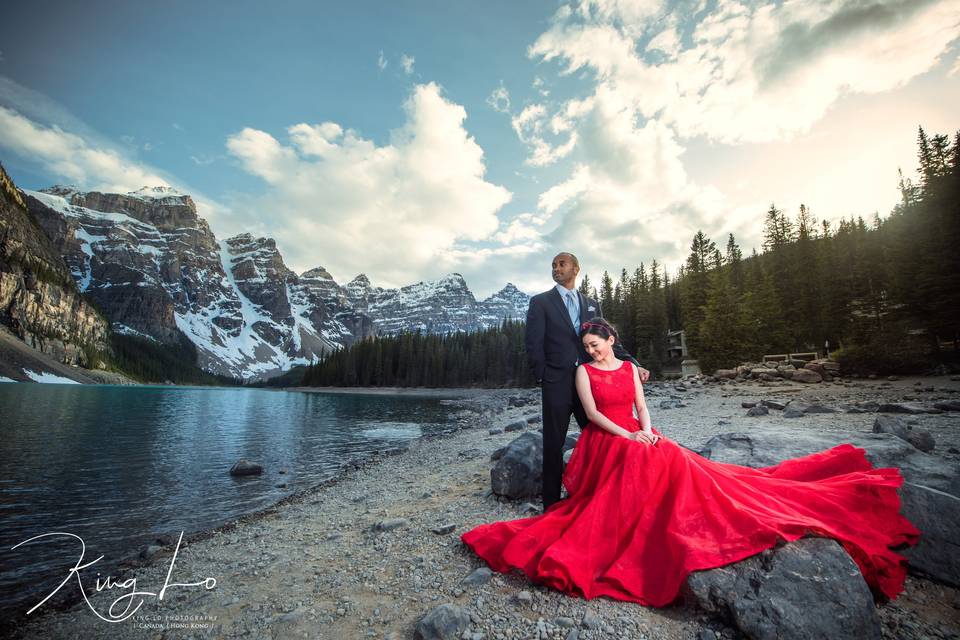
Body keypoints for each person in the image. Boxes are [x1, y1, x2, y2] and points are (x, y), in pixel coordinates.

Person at [461, 317, 921, 607]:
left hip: (637, 430)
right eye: (586, 347)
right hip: (606, 439)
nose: (590, 351)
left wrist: (648, 429)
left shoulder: (627, 368)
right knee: (644, 458)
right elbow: (596, 415)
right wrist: (630, 435)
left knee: (674, 458)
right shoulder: (584, 372)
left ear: (611, 340)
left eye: (595, 344)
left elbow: (642, 405)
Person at [525, 252, 649, 510]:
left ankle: (602, 496)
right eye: (553, 265)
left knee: (601, 440)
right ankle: (550, 504)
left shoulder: (591, 304)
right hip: (557, 383)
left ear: (576, 268)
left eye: (562, 264)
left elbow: (606, 338)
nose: (556, 268)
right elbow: (533, 343)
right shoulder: (541, 302)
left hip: (592, 383)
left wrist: (634, 364)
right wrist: (543, 376)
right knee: (553, 444)